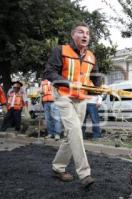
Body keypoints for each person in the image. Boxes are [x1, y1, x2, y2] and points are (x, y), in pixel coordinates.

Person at [43, 22, 101, 188]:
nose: (85, 35)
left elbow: (95, 77)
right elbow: (49, 72)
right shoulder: (60, 50)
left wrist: (98, 91)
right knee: (76, 130)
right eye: (81, 32)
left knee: (71, 135)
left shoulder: (91, 56)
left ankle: (58, 167)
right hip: (63, 95)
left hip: (81, 98)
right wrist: (68, 83)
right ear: (73, 35)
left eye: (87, 33)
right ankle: (85, 173)